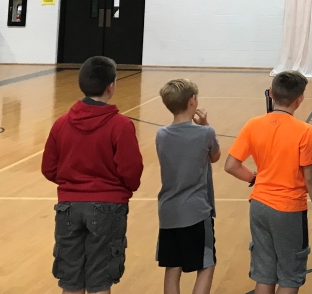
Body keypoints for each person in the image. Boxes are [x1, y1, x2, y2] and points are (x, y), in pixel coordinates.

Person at [41, 56, 144, 294]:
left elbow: (49, 168)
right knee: (100, 282)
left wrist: (72, 183)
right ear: (111, 86)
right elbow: (132, 171)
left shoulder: (61, 123)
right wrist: (120, 188)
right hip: (108, 208)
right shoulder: (121, 125)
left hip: (68, 207)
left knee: (71, 281)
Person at [224, 71, 312, 294]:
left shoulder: (253, 124)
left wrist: (254, 178)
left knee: (264, 273)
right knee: (289, 276)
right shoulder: (304, 131)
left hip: (258, 205)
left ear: (270, 94)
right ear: (300, 99)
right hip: (289, 210)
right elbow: (311, 178)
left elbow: (231, 165)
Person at [155, 79, 221, 294]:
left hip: (168, 211)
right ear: (192, 101)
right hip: (196, 210)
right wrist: (205, 125)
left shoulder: (161, 135)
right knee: (206, 264)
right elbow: (215, 156)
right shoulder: (205, 133)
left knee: (173, 267)